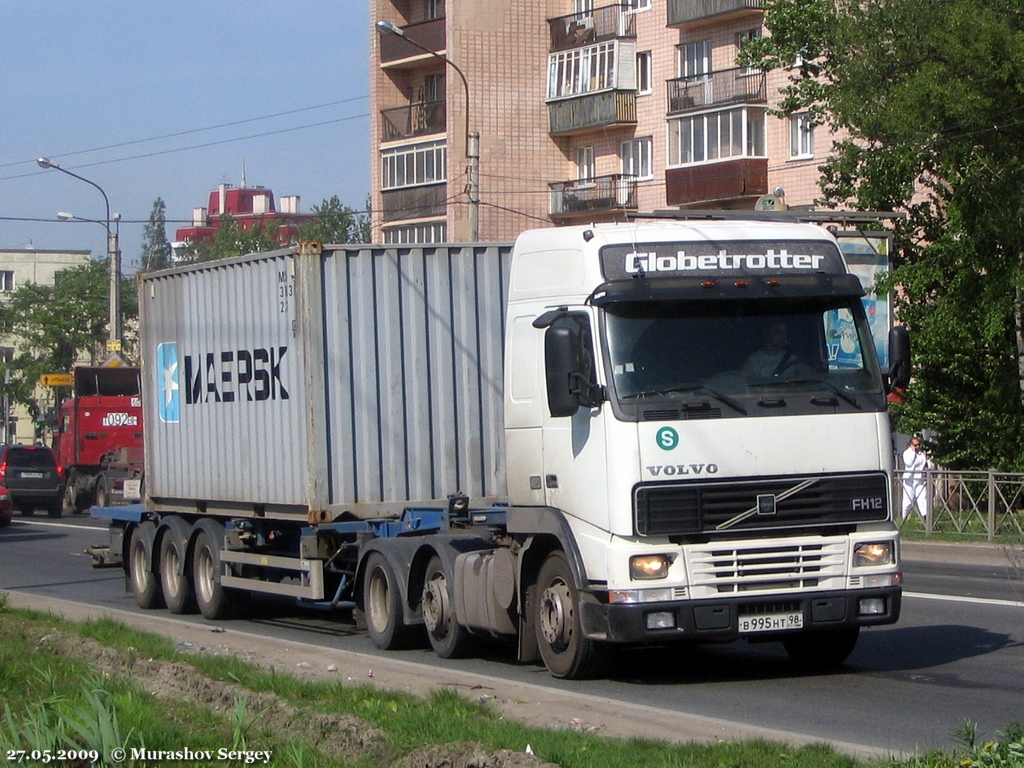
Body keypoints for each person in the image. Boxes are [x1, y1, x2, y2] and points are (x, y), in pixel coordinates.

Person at [901, 436, 930, 520]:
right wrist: (913, 452)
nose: (917, 447)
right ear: (911, 445)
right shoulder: (907, 453)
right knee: (908, 500)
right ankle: (905, 518)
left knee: (923, 497)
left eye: (918, 445)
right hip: (909, 480)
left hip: (919, 479)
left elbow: (923, 463)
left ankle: (926, 517)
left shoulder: (921, 454)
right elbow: (909, 463)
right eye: (915, 445)